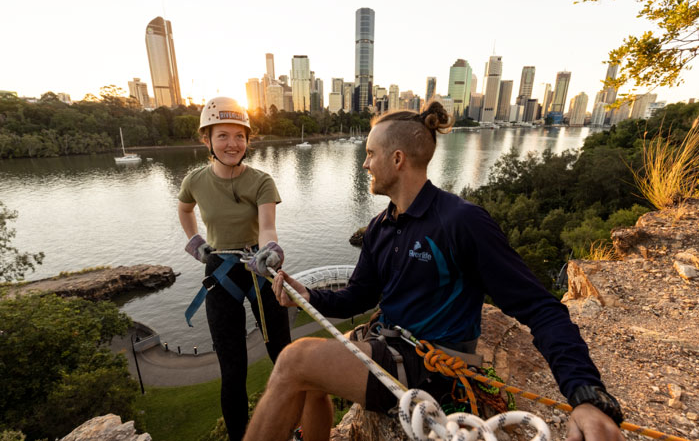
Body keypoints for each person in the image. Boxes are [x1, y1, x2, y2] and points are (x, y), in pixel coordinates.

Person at [243, 102, 625, 441]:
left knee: (295, 359)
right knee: (310, 376)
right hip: (392, 346)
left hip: (434, 369)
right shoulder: (381, 226)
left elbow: (540, 308)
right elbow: (358, 296)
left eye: (370, 154)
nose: (364, 163)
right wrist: (310, 295)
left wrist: (586, 395)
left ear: (397, 159)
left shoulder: (461, 222)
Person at [178, 97, 291, 440]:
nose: (233, 144)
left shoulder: (261, 181)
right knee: (232, 368)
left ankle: (292, 427)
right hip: (220, 270)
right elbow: (184, 210)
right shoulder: (195, 180)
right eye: (223, 135)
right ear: (207, 140)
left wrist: (270, 250)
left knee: (283, 357)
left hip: (258, 265)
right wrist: (195, 242)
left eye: (239, 136)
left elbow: (268, 226)